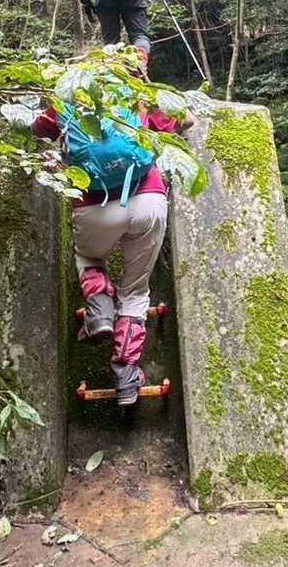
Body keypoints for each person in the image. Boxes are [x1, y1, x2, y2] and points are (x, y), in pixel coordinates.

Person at [32, 54, 190, 405]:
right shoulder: (136, 93)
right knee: (135, 291)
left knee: (88, 258)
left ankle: (100, 308)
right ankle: (126, 376)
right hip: (148, 199)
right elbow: (187, 120)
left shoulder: (69, 97)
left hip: (94, 206)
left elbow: (36, 128)